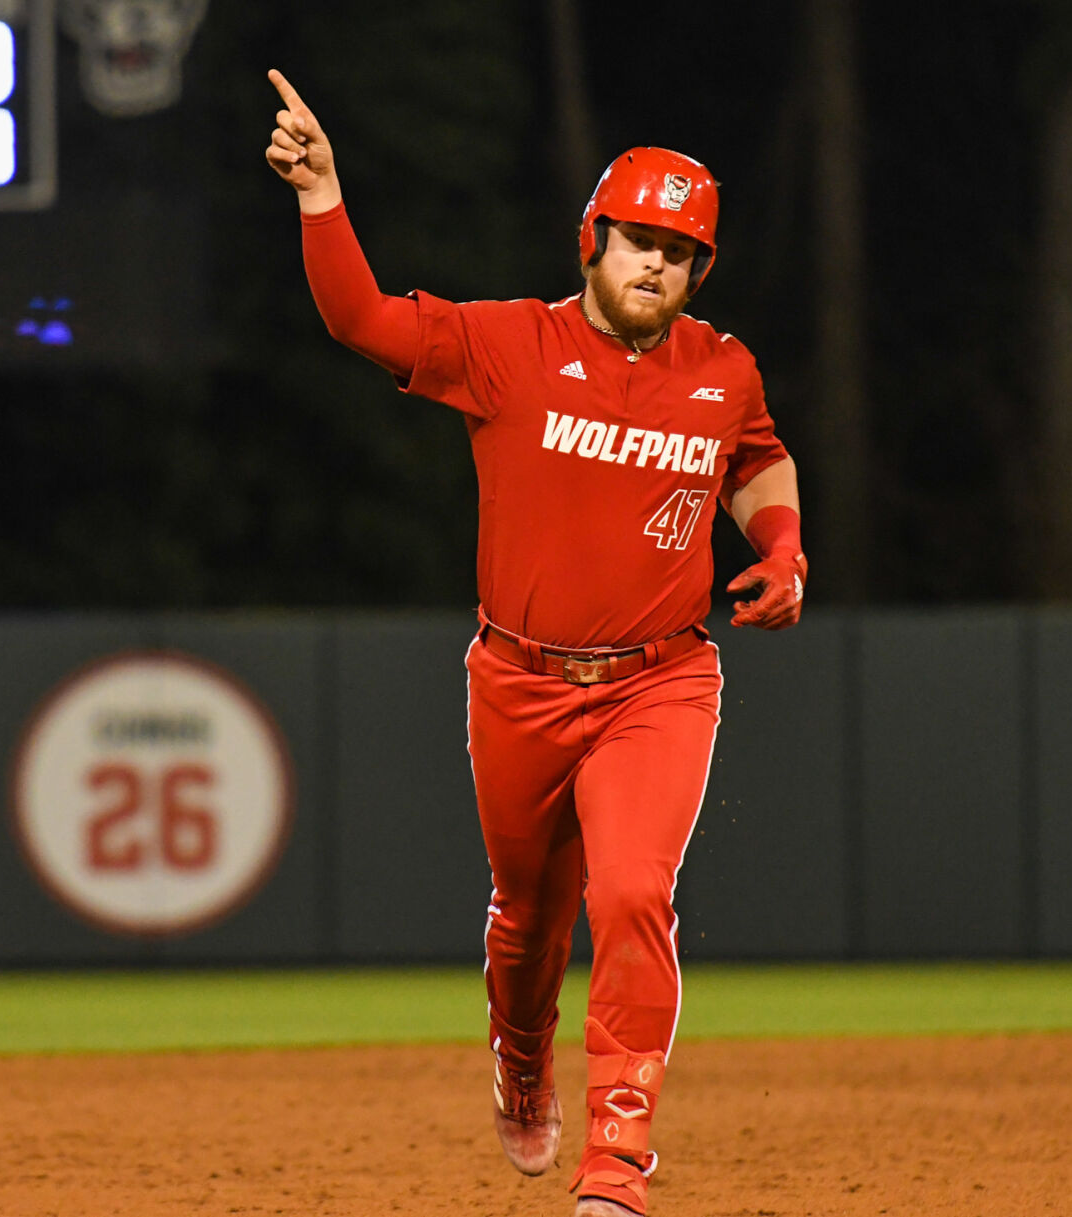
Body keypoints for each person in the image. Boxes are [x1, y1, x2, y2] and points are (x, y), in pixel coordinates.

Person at [264, 69, 806, 1217]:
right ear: (589, 243)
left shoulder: (721, 369)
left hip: (661, 679)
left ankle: (616, 1160)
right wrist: (321, 195)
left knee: (628, 894)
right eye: (634, 240)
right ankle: (520, 1051)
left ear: (698, 268)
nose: (654, 262)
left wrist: (785, 544)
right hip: (515, 680)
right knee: (527, 920)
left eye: (677, 248)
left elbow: (754, 460)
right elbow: (360, 320)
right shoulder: (507, 347)